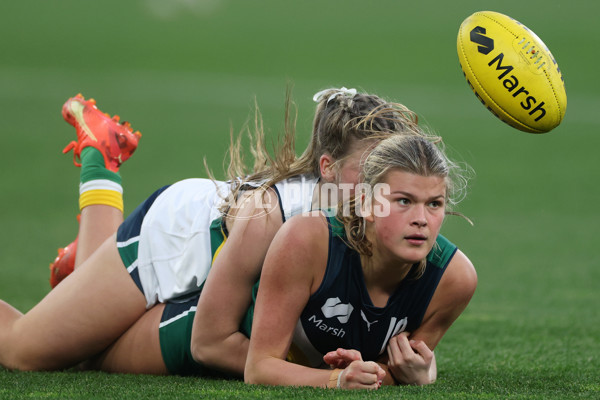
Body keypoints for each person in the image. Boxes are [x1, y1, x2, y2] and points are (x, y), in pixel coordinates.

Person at [0, 87, 426, 378]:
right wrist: (311, 376)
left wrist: (421, 368)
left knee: (84, 344)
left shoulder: (396, 220)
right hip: (172, 243)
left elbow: (405, 332)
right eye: (370, 169)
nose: (385, 184)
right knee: (27, 353)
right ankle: (99, 164)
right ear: (328, 168)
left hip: (216, 278)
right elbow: (210, 342)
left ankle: (100, 170)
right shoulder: (272, 218)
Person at [244, 134, 477, 389]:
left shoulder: (454, 279)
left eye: (434, 203)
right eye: (404, 201)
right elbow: (259, 368)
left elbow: (396, 370)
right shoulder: (306, 240)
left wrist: (415, 373)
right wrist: (337, 379)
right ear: (366, 204)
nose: (421, 219)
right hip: (202, 291)